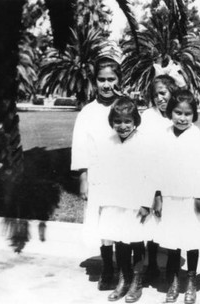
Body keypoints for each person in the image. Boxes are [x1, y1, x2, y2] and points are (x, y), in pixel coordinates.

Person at [88, 97, 157, 302]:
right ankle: (123, 279)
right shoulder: (107, 142)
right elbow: (100, 171)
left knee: (135, 241)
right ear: (112, 122)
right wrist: (101, 201)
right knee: (119, 241)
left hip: (135, 204)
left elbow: (150, 174)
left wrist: (146, 203)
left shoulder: (144, 142)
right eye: (118, 121)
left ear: (135, 121)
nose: (123, 126)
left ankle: (136, 282)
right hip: (113, 202)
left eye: (128, 121)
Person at [71, 57, 128, 291]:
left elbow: (137, 135)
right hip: (98, 175)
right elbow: (80, 146)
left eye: (111, 79)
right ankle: (107, 268)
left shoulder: (125, 108)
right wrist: (84, 177)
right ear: (95, 81)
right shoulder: (88, 112)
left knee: (123, 222)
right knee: (103, 222)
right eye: (101, 79)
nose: (106, 84)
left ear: (119, 80)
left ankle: (126, 271)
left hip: (123, 176)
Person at [153, 89, 200, 304]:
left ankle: (191, 283)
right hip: (170, 198)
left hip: (190, 200)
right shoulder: (164, 135)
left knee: (191, 241)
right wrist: (158, 195)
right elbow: (157, 167)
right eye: (178, 112)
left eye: (187, 114)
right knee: (172, 243)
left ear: (194, 115)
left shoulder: (197, 137)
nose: (182, 118)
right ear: (170, 112)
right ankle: (174, 282)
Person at [138, 74, 179, 282]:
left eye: (163, 93)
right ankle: (151, 265)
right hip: (152, 177)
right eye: (155, 96)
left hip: (173, 179)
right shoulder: (148, 117)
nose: (160, 99)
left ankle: (173, 272)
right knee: (151, 224)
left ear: (172, 92)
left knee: (172, 223)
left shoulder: (178, 115)